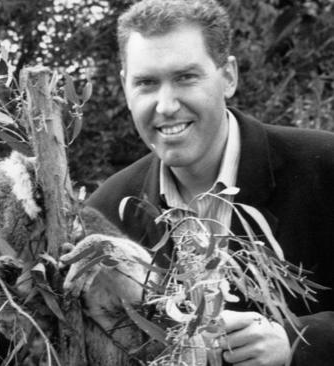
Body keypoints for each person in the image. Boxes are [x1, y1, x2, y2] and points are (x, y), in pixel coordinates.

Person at [86, 0, 334, 365]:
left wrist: (297, 344)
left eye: (186, 77)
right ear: (125, 86)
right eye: (146, 83)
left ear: (228, 76)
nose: (166, 105)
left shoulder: (323, 168)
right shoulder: (106, 216)